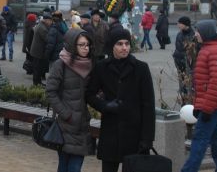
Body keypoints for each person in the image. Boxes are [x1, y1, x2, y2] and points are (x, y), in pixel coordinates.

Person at [86, 28, 155, 172]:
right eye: (119, 44)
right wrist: (105, 106)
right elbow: (89, 94)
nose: (124, 47)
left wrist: (147, 139)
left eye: (127, 43)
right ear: (112, 45)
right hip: (111, 131)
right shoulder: (101, 67)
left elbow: (148, 105)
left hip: (135, 134)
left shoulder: (141, 68)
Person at [46, 29, 95, 172]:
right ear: (72, 45)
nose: (86, 48)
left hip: (82, 125)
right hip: (65, 124)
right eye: (81, 45)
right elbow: (50, 91)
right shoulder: (60, 64)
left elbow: (93, 92)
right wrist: (66, 113)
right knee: (65, 165)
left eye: (87, 45)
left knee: (74, 166)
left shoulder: (90, 64)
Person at [181, 19, 217, 171]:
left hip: (211, 105)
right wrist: (200, 105)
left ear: (206, 33)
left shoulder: (215, 51)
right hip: (210, 104)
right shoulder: (209, 48)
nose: (196, 34)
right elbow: (204, 82)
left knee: (199, 140)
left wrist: (206, 108)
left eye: (198, 31)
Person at [30, 12, 53, 86]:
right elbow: (47, 39)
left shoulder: (42, 25)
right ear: (46, 20)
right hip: (38, 52)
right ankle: (36, 84)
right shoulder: (42, 28)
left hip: (37, 51)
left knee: (38, 68)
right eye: (50, 21)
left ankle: (38, 82)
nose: (51, 22)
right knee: (37, 69)